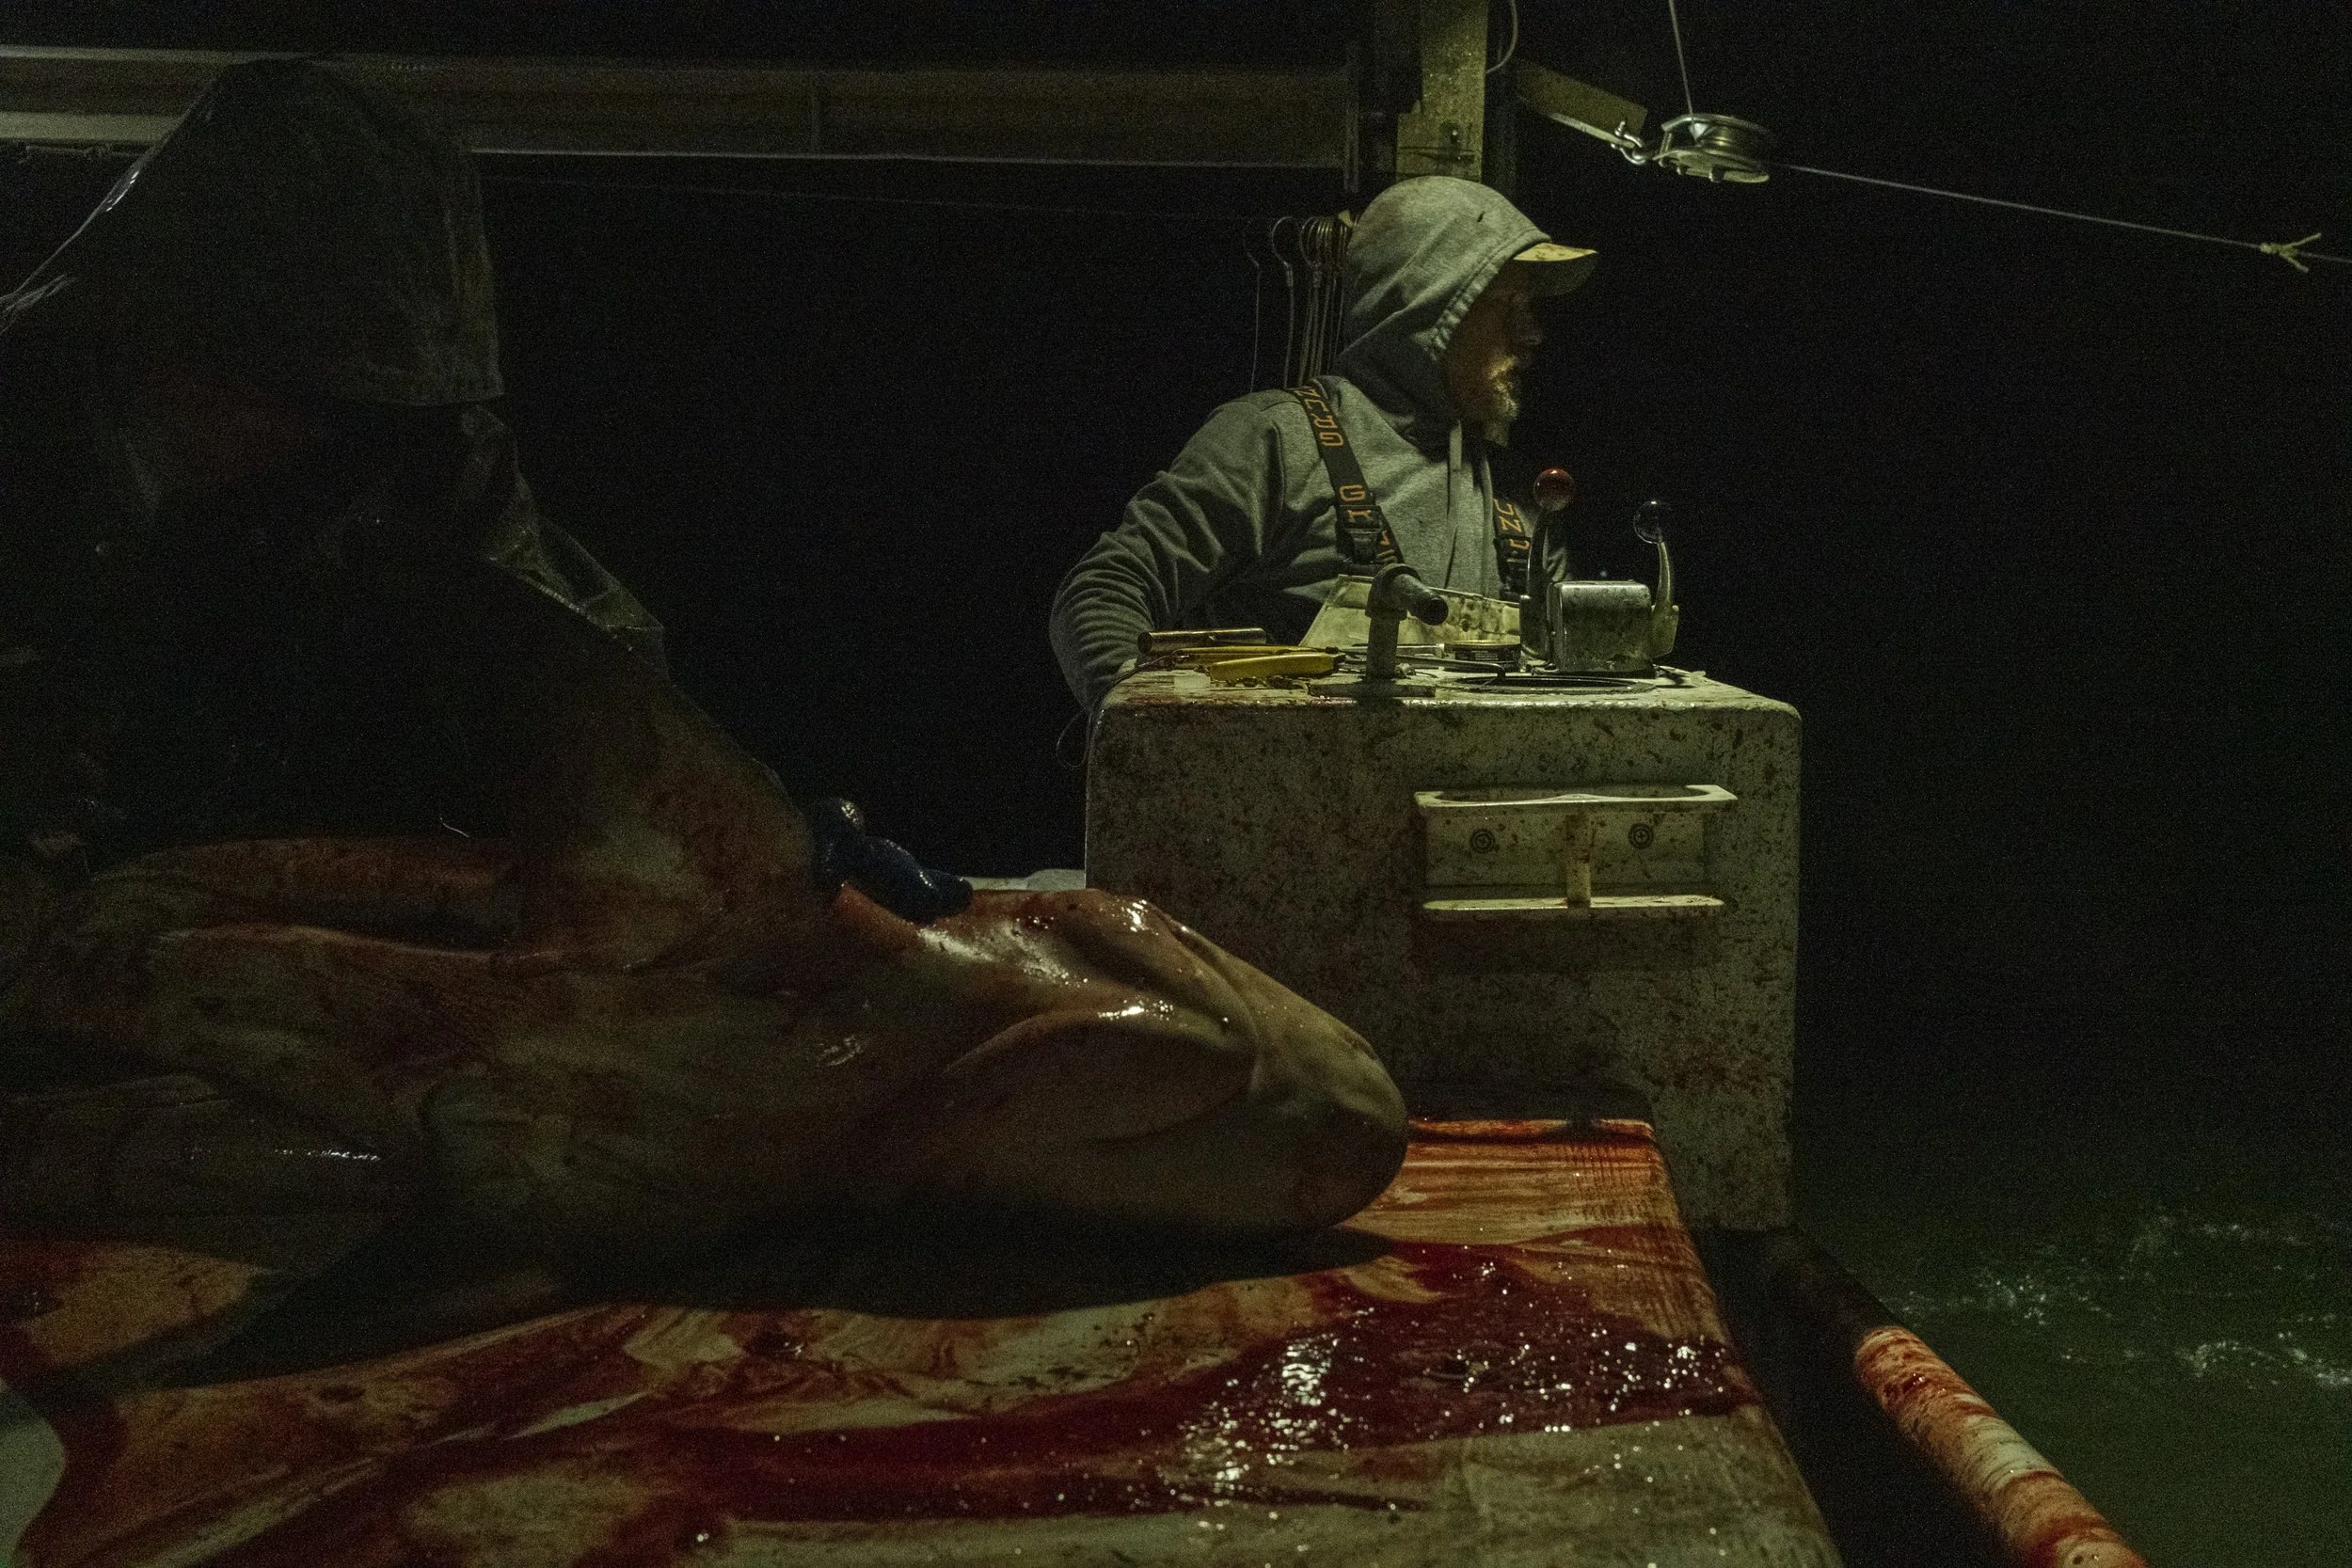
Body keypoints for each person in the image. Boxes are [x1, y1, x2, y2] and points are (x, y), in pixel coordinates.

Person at [0, 59, 664, 955]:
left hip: (345, 974)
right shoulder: (48, 461)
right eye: (272, 387)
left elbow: (604, 723)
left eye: (337, 400)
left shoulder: (441, 506)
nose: (300, 433)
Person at [1050, 175, 1595, 713]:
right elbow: (1102, 592)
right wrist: (1149, 737)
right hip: (1283, 793)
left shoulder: (1522, 495)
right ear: (1426, 306)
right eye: (1507, 307)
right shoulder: (1274, 441)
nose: (1531, 335)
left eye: (1531, 311)